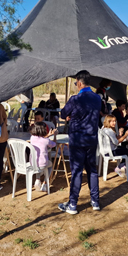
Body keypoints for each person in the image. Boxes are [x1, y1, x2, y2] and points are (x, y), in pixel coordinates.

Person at [58, 70, 101, 214]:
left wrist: (71, 116)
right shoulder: (97, 98)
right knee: (92, 170)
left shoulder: (75, 99)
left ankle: (73, 205)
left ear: (79, 82)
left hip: (77, 140)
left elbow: (63, 114)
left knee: (76, 171)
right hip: (92, 139)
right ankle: (95, 201)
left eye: (76, 83)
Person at [29, 122, 57, 192]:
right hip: (43, 163)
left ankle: (37, 180)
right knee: (50, 165)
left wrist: (48, 135)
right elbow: (54, 144)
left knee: (38, 163)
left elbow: (39, 139)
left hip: (33, 162)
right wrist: (54, 135)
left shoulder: (32, 138)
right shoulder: (46, 140)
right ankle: (45, 183)